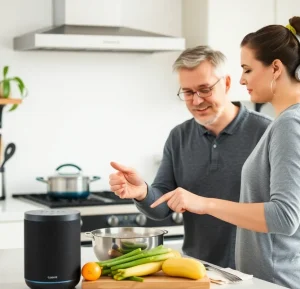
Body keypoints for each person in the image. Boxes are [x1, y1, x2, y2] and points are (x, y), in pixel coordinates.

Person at [151, 17, 300, 289]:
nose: (243, 80)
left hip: (277, 284)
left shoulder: (289, 124)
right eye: (187, 92)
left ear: (276, 68)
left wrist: (204, 204)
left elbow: (285, 217)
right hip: (261, 281)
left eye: (247, 69)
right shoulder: (285, 122)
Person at [109, 46, 272, 269]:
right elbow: (161, 207)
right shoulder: (179, 137)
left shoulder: (266, 132)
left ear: (226, 84)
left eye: (204, 89)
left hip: (255, 271)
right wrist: (142, 192)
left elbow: (282, 212)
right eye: (187, 92)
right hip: (198, 269)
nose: (196, 101)